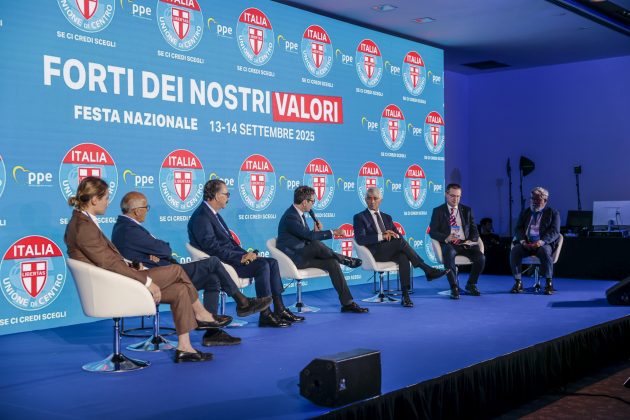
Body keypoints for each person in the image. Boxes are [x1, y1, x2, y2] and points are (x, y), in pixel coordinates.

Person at [64, 177, 219, 363]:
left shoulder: (84, 222)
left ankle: (184, 348)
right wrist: (147, 281)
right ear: (95, 199)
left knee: (180, 290)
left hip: (117, 279)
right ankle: (201, 314)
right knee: (177, 270)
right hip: (111, 287)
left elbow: (109, 260)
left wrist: (133, 264)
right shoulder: (83, 227)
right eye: (106, 198)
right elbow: (109, 264)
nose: (108, 202)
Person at [111, 191, 271, 346]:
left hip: (164, 270)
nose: (147, 210)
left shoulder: (127, 227)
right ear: (137, 211)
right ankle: (242, 301)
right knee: (213, 262)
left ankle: (212, 334)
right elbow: (165, 249)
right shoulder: (128, 229)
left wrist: (154, 255)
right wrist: (156, 254)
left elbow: (159, 251)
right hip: (161, 276)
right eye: (146, 207)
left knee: (212, 279)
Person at [188, 179, 301, 327]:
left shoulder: (213, 214)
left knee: (272, 262)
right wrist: (240, 257)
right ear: (216, 195)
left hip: (232, 257)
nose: (228, 198)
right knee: (262, 266)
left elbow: (230, 243)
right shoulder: (202, 217)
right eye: (226, 194)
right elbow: (212, 248)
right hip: (223, 263)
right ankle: (265, 315)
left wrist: (248, 254)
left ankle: (280, 309)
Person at [277, 185, 368, 313]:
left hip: (303, 255)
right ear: (304, 202)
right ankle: (344, 259)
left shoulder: (299, 214)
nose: (313, 204)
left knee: (332, 262)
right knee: (316, 244)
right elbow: (308, 237)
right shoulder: (290, 216)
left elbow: (304, 237)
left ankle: (347, 303)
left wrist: (315, 232)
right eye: (312, 201)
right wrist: (333, 232)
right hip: (293, 259)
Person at [353, 187, 449, 307]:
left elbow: (399, 236)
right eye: (369, 198)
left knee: (403, 256)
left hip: (390, 250)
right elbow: (361, 239)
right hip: (374, 253)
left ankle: (405, 295)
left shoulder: (387, 217)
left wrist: (394, 235)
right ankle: (427, 269)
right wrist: (382, 236)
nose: (372, 201)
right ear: (365, 200)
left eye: (375, 198)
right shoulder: (360, 217)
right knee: (400, 244)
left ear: (380, 200)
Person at [429, 183, 485, 299]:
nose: (456, 199)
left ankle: (471, 284)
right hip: (450, 244)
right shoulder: (438, 211)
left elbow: (475, 231)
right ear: (446, 195)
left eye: (458, 196)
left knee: (481, 258)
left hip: (465, 244)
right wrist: (446, 237)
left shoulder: (467, 210)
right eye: (453, 196)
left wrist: (471, 240)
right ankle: (454, 287)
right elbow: (433, 232)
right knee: (448, 253)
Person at [510, 187, 561, 295]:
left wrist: (540, 242)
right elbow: (518, 229)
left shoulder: (553, 213)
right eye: (532, 199)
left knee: (545, 251)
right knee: (515, 251)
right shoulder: (525, 212)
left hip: (543, 244)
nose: (534, 201)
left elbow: (555, 231)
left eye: (537, 199)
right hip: (527, 243)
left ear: (545, 200)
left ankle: (549, 283)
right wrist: (523, 241)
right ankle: (518, 282)